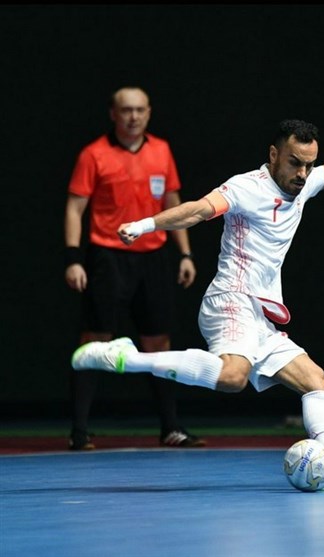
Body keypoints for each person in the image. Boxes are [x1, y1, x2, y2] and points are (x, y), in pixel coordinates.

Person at [71, 119, 324, 490]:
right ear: (273, 155)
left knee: (318, 382)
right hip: (231, 299)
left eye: (308, 165)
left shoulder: (303, 183)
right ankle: (126, 357)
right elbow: (198, 210)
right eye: (294, 162)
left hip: (261, 316)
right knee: (233, 377)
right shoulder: (246, 187)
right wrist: (146, 225)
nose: (302, 173)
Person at [64, 86, 204, 451]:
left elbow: (174, 203)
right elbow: (75, 209)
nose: (133, 117)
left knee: (158, 343)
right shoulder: (93, 154)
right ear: (113, 113)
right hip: (107, 258)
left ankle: (171, 428)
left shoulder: (161, 150)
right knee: (95, 343)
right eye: (126, 110)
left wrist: (185, 254)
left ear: (149, 113)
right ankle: (79, 432)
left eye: (140, 110)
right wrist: (73, 259)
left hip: (153, 258)